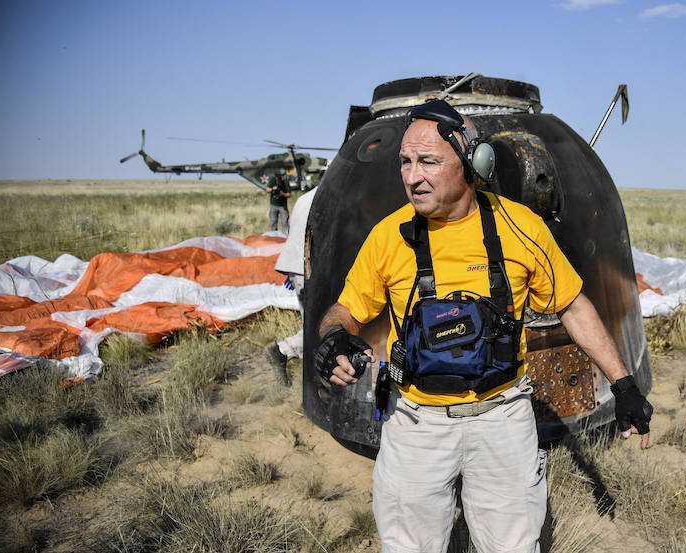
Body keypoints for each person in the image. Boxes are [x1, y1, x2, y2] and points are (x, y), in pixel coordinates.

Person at [314, 99, 652, 553]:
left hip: (503, 419)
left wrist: (624, 383)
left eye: (428, 162)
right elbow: (345, 310)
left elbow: (574, 307)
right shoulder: (388, 237)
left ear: (474, 164)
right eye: (406, 162)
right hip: (416, 423)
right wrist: (333, 338)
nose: (413, 177)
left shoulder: (522, 227)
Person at [264, 188, 317, 386]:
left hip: (297, 266)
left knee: (314, 324)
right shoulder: (333, 196)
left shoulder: (305, 197)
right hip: (311, 268)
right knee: (322, 326)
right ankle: (282, 351)